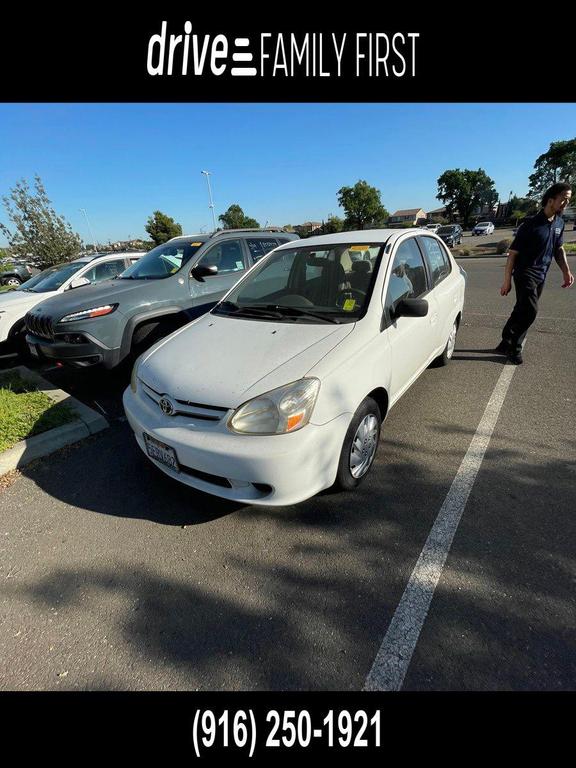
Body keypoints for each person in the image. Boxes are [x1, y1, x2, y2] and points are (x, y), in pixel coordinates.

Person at [496, 182, 574, 364]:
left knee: (521, 309)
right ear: (550, 199)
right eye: (563, 199)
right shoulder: (530, 225)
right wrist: (506, 281)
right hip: (524, 274)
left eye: (568, 200)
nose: (566, 203)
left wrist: (566, 272)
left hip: (541, 275)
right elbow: (512, 255)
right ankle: (514, 348)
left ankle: (505, 340)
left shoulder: (559, 223)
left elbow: (558, 249)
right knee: (530, 311)